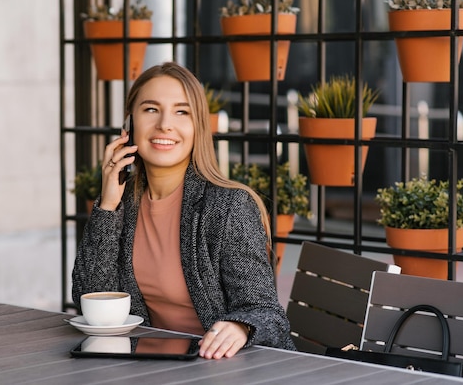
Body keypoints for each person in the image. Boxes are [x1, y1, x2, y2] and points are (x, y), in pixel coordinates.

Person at [72, 62, 296, 359]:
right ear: (129, 126)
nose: (165, 124)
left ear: (197, 128)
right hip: (152, 366)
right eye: (151, 109)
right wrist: (108, 205)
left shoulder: (228, 207)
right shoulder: (122, 205)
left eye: (182, 112)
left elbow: (267, 314)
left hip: (228, 368)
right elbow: (90, 299)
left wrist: (240, 328)